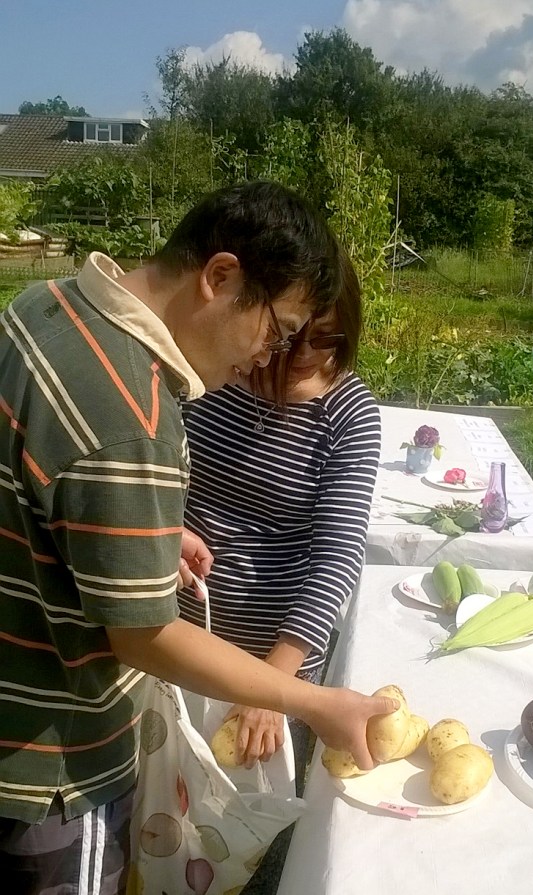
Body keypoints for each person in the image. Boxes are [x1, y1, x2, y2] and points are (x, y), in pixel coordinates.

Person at [0, 181, 397, 894]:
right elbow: (144, 634)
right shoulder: (134, 410)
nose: (272, 354)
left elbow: (48, 479)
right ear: (220, 277)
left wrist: (146, 528)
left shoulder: (44, 305)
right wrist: (308, 699)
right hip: (55, 758)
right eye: (279, 331)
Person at [179, 246, 380, 779]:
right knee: (167, 792)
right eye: (295, 338)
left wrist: (275, 684)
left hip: (277, 648)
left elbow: (336, 559)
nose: (312, 353)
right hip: (181, 631)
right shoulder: (215, 377)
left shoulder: (348, 414)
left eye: (330, 337)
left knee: (243, 811)